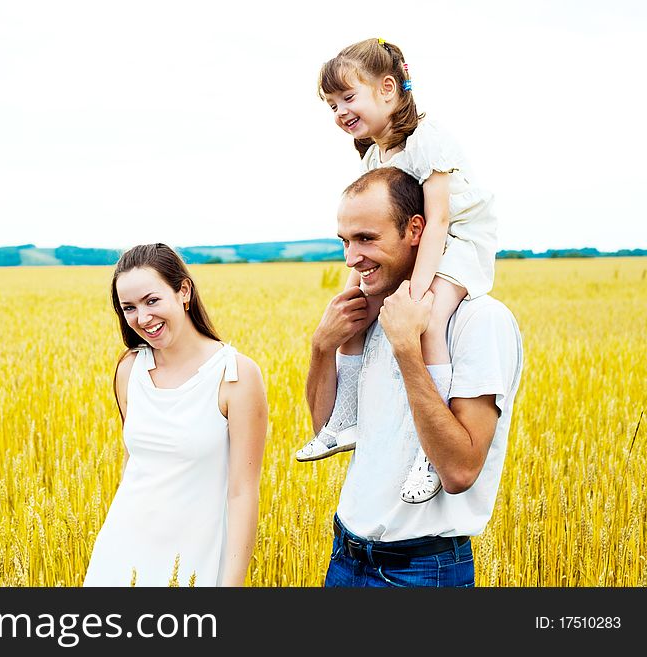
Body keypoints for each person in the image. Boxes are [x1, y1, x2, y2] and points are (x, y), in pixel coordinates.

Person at [295, 38, 497, 506]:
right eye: (331, 105)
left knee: (431, 324)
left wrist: (419, 296)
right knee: (354, 315)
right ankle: (343, 421)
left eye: (348, 97)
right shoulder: (374, 155)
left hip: (460, 243)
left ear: (388, 89)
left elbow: (439, 220)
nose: (340, 112)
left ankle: (430, 456)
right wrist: (353, 298)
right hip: (427, 243)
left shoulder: (429, 138)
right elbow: (372, 229)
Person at [308, 167, 523, 587]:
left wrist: (408, 348)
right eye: (345, 241)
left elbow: (459, 471)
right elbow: (327, 428)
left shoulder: (480, 321)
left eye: (367, 238)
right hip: (345, 556)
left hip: (422, 571)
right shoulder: (372, 310)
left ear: (415, 229)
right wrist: (321, 348)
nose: (352, 258)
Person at [83, 243, 268, 587]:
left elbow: (243, 493)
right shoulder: (129, 369)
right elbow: (133, 465)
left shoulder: (236, 374)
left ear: (183, 290)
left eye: (152, 301)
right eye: (129, 308)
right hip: (120, 555)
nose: (143, 318)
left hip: (194, 561)